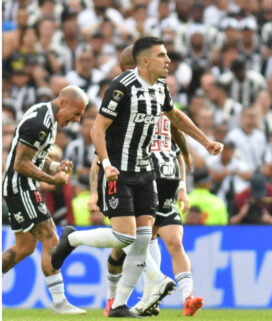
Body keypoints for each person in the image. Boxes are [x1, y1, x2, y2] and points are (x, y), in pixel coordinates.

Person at [51, 37, 223, 317]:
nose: (168, 60)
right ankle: (72, 239)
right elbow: (97, 130)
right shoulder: (121, 87)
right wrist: (106, 164)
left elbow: (176, 118)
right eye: (162, 55)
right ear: (145, 61)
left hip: (146, 173)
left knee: (142, 241)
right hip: (119, 171)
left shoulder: (160, 87)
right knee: (125, 238)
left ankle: (119, 305)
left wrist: (205, 142)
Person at [2, 85, 89, 314]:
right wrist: (52, 178)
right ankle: (60, 303)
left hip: (20, 186)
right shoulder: (40, 123)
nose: (77, 120)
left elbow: (35, 157)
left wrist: (54, 165)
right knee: (51, 236)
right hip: (20, 186)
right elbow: (20, 164)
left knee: (24, 248)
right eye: (77, 113)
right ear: (62, 103)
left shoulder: (46, 118)